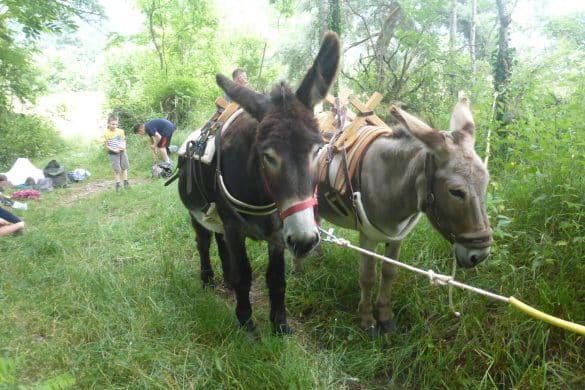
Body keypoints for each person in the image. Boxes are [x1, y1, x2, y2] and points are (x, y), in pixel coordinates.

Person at [102, 114, 130, 191]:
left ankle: (126, 182)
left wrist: (124, 146)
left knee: (124, 167)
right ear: (108, 124)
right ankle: (118, 184)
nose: (114, 126)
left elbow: (123, 140)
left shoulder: (121, 131)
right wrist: (114, 150)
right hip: (113, 154)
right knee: (116, 169)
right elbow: (106, 145)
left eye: (116, 124)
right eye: (113, 124)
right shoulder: (105, 133)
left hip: (122, 152)